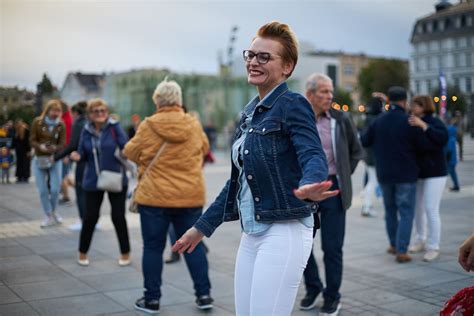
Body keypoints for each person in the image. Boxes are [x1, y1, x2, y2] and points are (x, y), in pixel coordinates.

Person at [173, 22, 338, 316]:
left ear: (287, 66)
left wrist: (312, 182)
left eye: (264, 57)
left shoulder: (293, 104)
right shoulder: (249, 114)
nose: (253, 62)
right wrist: (200, 229)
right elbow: (236, 183)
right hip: (252, 231)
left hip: (285, 230)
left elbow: (312, 153)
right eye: (251, 54)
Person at [124, 79, 213, 314]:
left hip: (154, 197)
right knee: (193, 246)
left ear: (157, 101)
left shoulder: (148, 125)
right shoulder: (193, 124)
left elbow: (129, 151)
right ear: (179, 101)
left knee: (153, 247)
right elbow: (204, 148)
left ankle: (152, 300)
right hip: (189, 196)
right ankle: (204, 296)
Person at [298, 73, 363, 315]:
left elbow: (357, 151)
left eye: (330, 91)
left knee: (332, 248)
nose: (330, 96)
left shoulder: (340, 119)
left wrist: (344, 174)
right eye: (324, 91)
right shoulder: (299, 119)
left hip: (334, 188)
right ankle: (313, 287)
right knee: (302, 246)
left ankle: (332, 295)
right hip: (305, 190)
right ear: (310, 94)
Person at [360, 87, 440, 263]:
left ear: (389, 101)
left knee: (390, 211)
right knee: (405, 211)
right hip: (406, 174)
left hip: (384, 173)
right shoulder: (410, 121)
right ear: (404, 102)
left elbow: (364, 141)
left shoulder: (378, 121)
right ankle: (402, 250)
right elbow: (423, 146)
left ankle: (393, 245)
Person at [70, 98, 130, 267]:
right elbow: (82, 151)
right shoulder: (86, 130)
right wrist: (77, 156)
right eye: (96, 111)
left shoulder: (114, 127)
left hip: (115, 177)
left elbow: (125, 145)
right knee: (90, 217)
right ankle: (82, 252)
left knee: (118, 216)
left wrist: (127, 151)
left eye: (103, 110)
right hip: (93, 179)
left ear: (107, 112)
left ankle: (125, 252)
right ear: (90, 114)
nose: (100, 114)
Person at [407, 95, 448, 262]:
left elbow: (442, 139)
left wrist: (424, 126)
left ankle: (433, 246)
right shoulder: (411, 121)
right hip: (418, 173)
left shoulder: (434, 121)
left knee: (431, 209)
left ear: (424, 106)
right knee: (418, 209)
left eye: (416, 105)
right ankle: (420, 239)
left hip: (436, 173)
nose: (412, 107)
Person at [30, 99, 66, 227]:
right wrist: (41, 147)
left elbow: (62, 143)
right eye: (54, 110)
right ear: (48, 110)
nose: (56, 113)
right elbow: (32, 140)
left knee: (56, 188)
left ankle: (54, 211)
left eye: (58, 110)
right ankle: (48, 214)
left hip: (54, 159)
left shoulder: (61, 125)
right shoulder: (37, 122)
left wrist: (54, 149)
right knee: (42, 190)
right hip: (39, 159)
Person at [54, 101, 88, 230]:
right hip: (91, 163)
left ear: (75, 112)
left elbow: (73, 144)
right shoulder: (90, 122)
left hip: (82, 161)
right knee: (89, 193)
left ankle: (83, 221)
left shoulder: (78, 123)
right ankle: (91, 221)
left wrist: (57, 157)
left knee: (80, 192)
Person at [360, 97, 383, 217]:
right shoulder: (377, 119)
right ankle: (367, 206)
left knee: (371, 181)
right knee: (373, 182)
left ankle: (367, 206)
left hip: (369, 154)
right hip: (375, 155)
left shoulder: (368, 118)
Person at [59, 101, 73, 204]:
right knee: (66, 174)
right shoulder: (70, 118)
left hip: (64, 151)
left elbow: (66, 139)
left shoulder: (64, 120)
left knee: (63, 175)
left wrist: (64, 154)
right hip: (68, 151)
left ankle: (66, 196)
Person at [445, 119, 460, 192]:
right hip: (453, 160)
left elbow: (449, 150)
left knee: (447, 173)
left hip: (450, 160)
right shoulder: (453, 138)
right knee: (452, 173)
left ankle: (456, 186)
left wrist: (446, 158)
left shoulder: (449, 140)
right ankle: (456, 186)